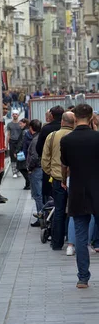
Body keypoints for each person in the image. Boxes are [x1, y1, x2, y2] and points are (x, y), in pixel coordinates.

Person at [61, 104, 99, 288]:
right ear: (91, 117)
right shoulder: (97, 138)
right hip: (97, 189)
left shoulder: (67, 140)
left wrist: (62, 180)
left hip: (77, 191)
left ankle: (83, 278)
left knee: (81, 237)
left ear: (75, 118)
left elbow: (65, 164)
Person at [41, 111, 75, 251]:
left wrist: (51, 172)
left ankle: (57, 242)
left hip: (56, 178)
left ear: (61, 122)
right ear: (74, 122)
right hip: (74, 179)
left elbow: (44, 158)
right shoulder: (75, 136)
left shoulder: (52, 136)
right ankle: (72, 241)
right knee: (74, 211)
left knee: (59, 210)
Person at [36, 105, 64, 204]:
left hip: (51, 170)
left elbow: (39, 149)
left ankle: (46, 215)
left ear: (51, 115)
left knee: (50, 196)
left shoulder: (46, 129)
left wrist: (47, 168)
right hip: (67, 171)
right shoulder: (69, 129)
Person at [26, 119, 43, 227]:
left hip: (36, 170)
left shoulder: (35, 140)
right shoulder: (39, 138)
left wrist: (30, 167)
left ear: (31, 128)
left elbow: (34, 156)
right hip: (40, 169)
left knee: (38, 195)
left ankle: (41, 217)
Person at [5, 111, 22, 178]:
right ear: (12, 115)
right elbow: (8, 134)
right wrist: (6, 144)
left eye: (16, 114)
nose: (15, 115)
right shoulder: (9, 124)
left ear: (18, 115)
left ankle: (18, 171)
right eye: (14, 114)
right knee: (12, 157)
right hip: (12, 141)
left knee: (19, 157)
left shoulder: (20, 123)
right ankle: (14, 171)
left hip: (19, 141)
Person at [16, 118, 30, 190]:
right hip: (26, 151)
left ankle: (28, 183)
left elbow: (21, 142)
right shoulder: (27, 131)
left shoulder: (24, 132)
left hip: (22, 152)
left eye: (21, 123)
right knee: (24, 167)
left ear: (25, 123)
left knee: (21, 167)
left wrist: (17, 151)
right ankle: (28, 183)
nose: (20, 125)